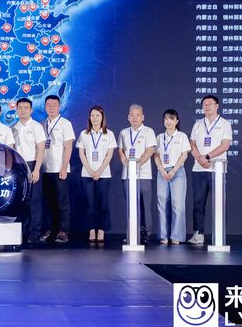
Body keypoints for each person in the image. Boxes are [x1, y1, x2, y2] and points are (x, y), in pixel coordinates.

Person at [188, 95, 232, 245]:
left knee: (218, 203)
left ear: (217, 106)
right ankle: (198, 233)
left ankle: (219, 234)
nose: (207, 107)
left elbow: (225, 145)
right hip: (199, 169)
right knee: (198, 203)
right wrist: (200, 159)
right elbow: (192, 143)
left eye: (210, 104)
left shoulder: (225, 124)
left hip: (217, 170)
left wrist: (207, 157)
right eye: (204, 104)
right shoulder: (198, 124)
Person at [76, 105, 116, 243]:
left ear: (102, 117)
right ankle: (91, 230)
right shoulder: (84, 134)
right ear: (89, 117)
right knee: (90, 204)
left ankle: (102, 230)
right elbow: (81, 153)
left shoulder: (109, 134)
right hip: (87, 174)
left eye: (97, 115)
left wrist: (99, 171)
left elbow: (109, 154)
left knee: (103, 204)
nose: (95, 118)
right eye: (92, 115)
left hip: (103, 174)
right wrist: (89, 169)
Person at [118, 104, 156, 244]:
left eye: (137, 115)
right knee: (131, 205)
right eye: (132, 115)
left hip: (143, 175)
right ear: (128, 117)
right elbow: (121, 150)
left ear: (142, 117)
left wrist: (138, 163)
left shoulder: (148, 131)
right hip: (128, 175)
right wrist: (126, 163)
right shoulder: (123, 132)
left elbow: (150, 150)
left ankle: (146, 233)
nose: (134, 118)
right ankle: (132, 233)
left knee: (145, 206)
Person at [10, 98, 46, 244]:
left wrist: (36, 169)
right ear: (16, 109)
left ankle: (34, 233)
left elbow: (41, 149)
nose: (23, 110)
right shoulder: (13, 127)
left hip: (33, 165)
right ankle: (20, 233)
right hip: (18, 166)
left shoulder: (37, 126)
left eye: (26, 108)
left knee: (34, 201)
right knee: (19, 200)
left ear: (31, 110)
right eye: (20, 108)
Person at [41, 95, 75, 244]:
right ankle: (49, 229)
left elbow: (68, 147)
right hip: (45, 169)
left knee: (62, 202)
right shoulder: (41, 124)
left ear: (59, 107)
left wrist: (64, 167)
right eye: (48, 105)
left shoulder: (65, 124)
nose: (51, 108)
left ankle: (63, 231)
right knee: (48, 202)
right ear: (45, 107)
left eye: (54, 105)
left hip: (60, 169)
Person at [153, 109, 190, 245]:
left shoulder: (182, 136)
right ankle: (163, 236)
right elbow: (156, 155)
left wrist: (173, 170)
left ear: (176, 121)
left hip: (177, 172)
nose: (168, 121)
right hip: (162, 172)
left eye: (171, 118)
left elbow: (184, 155)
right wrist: (161, 169)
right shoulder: (159, 137)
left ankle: (176, 236)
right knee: (161, 205)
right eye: (166, 119)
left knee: (178, 206)